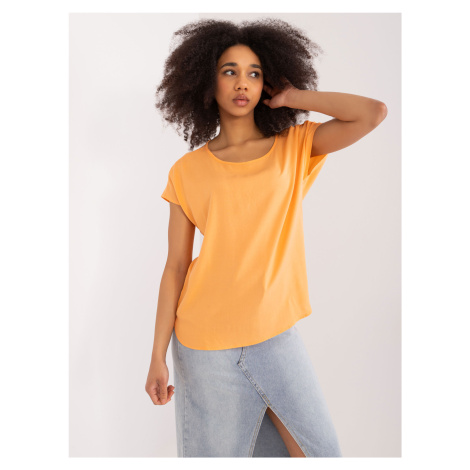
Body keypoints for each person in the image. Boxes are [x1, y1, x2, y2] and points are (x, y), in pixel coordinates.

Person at [145, 18, 387, 458]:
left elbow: (372, 113)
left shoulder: (294, 146)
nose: (243, 83)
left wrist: (293, 97)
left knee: (321, 453)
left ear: (266, 82)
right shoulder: (186, 171)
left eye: (254, 73)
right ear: (207, 82)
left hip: (274, 334)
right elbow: (176, 266)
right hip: (204, 342)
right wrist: (157, 355)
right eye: (230, 71)